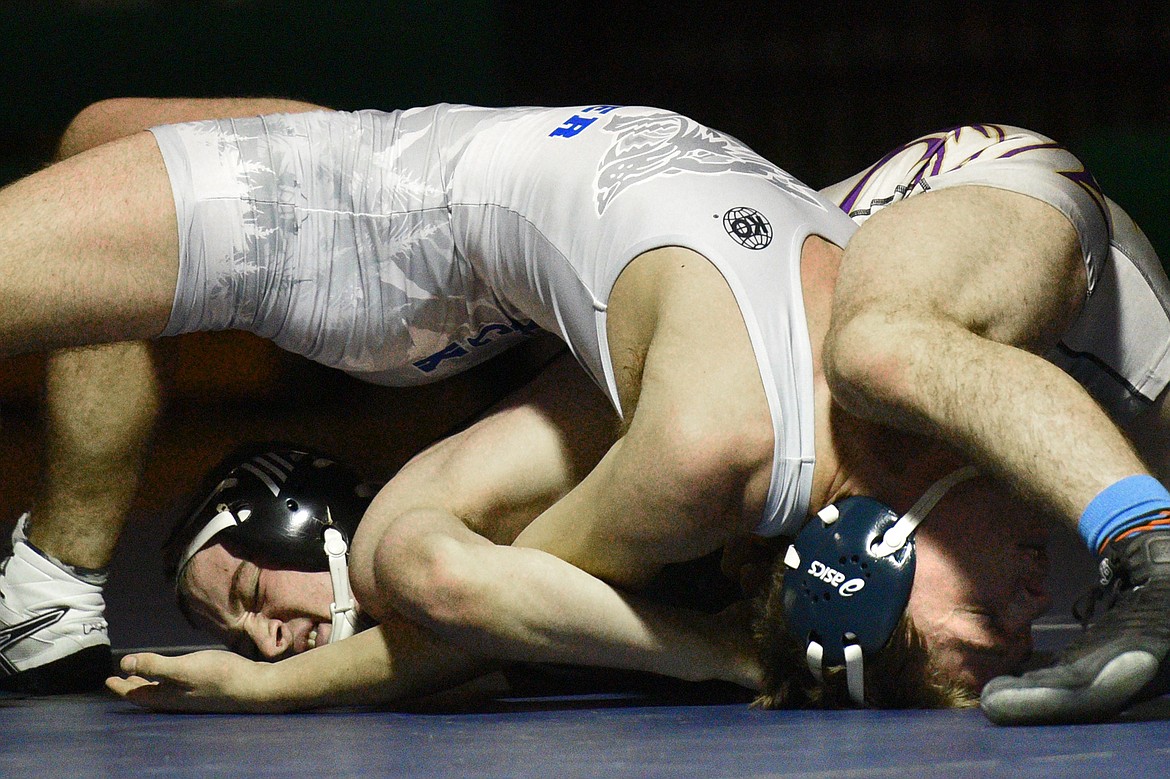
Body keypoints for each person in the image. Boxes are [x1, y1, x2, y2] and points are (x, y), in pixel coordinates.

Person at [1, 101, 1165, 722]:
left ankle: (45, 593)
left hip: (366, 228)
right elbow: (462, 603)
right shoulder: (868, 381)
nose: (1033, 612)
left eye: (980, 642)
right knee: (880, 346)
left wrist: (277, 684)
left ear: (866, 567)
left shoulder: (708, 447)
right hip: (496, 196)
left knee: (88, 157)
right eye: (1018, 633)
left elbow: (441, 593)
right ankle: (50, 589)